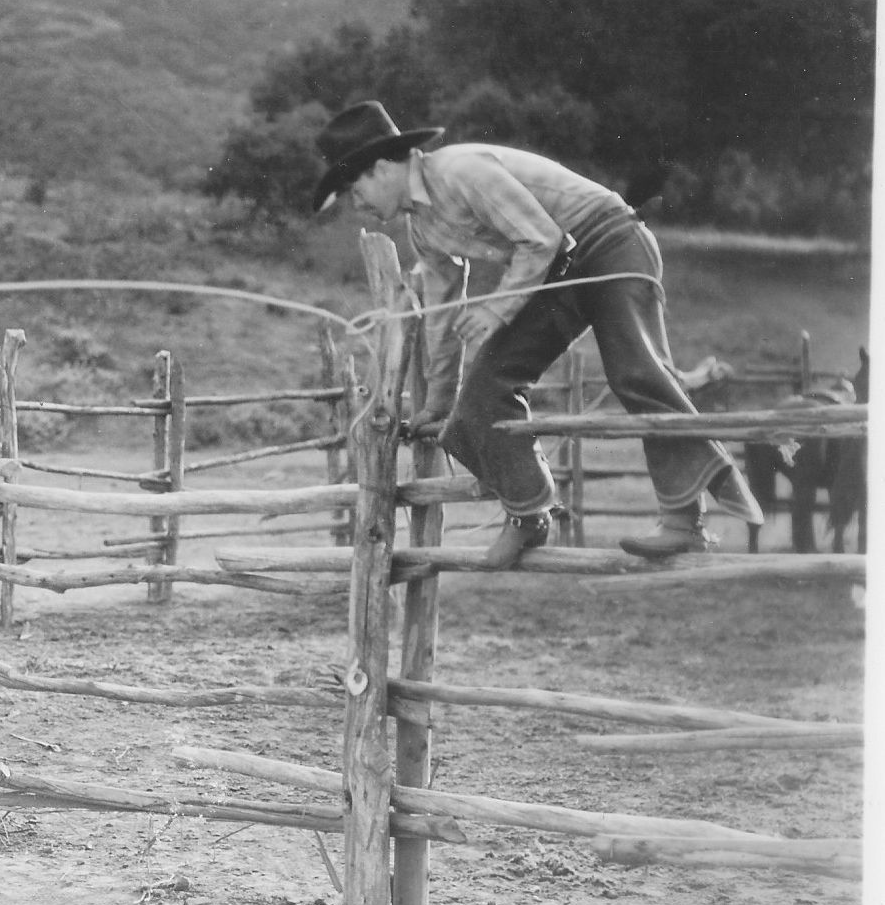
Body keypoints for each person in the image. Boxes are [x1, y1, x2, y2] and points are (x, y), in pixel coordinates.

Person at [311, 101, 762, 567]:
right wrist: (439, 402)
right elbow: (445, 316)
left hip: (609, 240)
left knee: (637, 371)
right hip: (555, 269)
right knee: (482, 396)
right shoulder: (422, 229)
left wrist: (499, 309)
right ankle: (530, 515)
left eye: (354, 189)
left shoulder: (462, 171)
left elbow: (541, 239)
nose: (358, 204)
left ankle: (685, 522)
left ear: (382, 169)